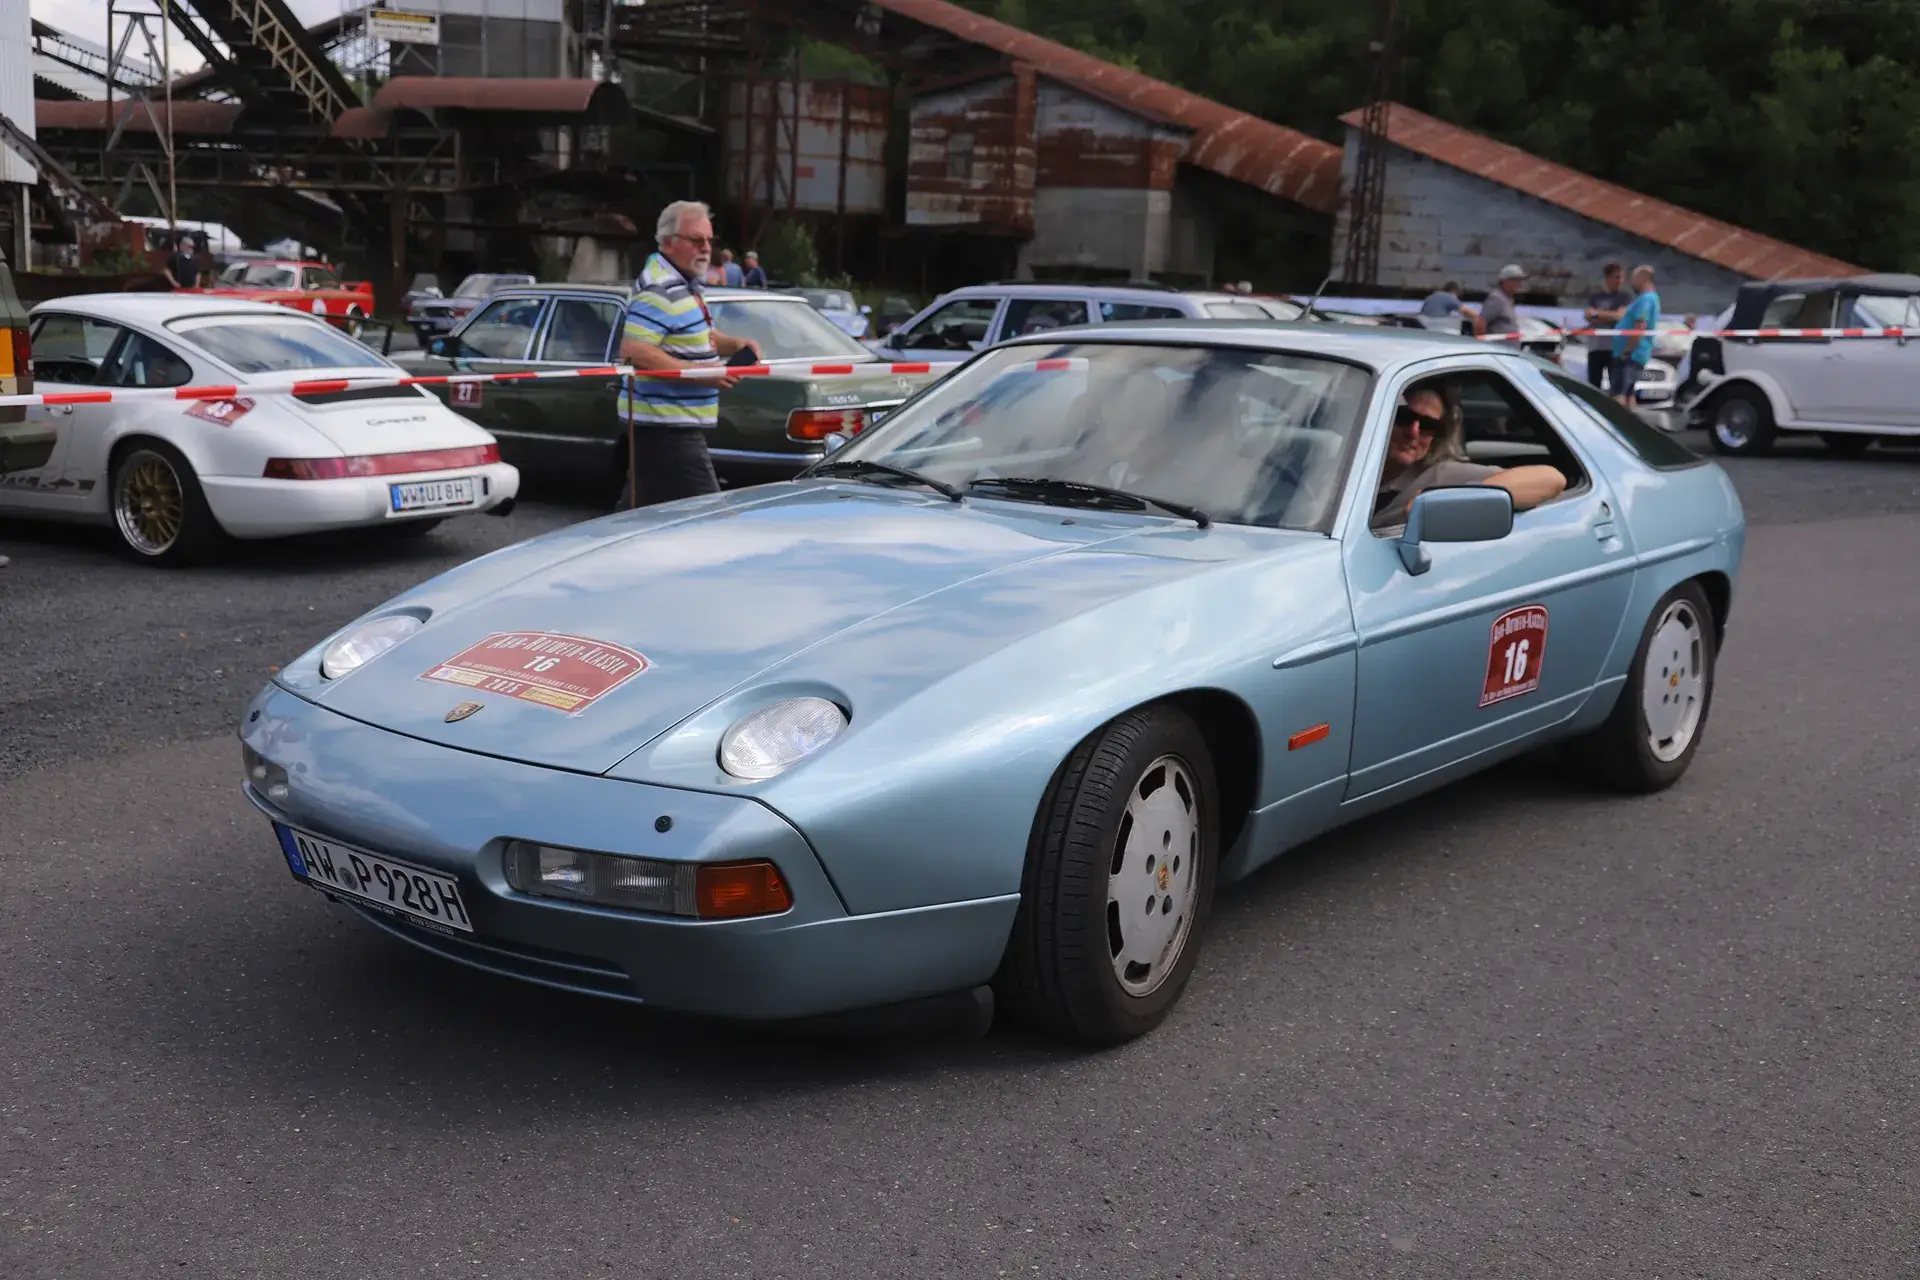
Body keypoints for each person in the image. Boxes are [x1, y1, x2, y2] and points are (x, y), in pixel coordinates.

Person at [615, 200, 756, 509]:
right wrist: (703, 375)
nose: (706, 248)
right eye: (696, 240)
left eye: (709, 240)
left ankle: (605, 540)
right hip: (665, 426)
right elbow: (635, 351)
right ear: (669, 242)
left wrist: (734, 344)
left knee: (640, 514)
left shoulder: (685, 283)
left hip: (669, 425)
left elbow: (696, 337)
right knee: (707, 515)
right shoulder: (659, 289)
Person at [1372, 383, 1566, 527]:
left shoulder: (1441, 475)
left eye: (1428, 425)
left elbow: (1551, 479)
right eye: (1405, 418)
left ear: (1438, 436)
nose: (1413, 432)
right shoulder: (1354, 461)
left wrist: (1450, 501)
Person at [1611, 265, 1661, 408]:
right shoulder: (1647, 299)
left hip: (1631, 355)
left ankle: (1617, 419)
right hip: (1633, 353)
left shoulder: (1646, 299)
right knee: (1628, 393)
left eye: (1634, 278)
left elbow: (1640, 326)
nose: (1631, 282)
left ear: (1643, 278)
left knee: (1619, 393)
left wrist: (1627, 350)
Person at [1583, 261, 1632, 392]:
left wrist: (1598, 314)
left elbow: (1620, 316)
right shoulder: (1596, 296)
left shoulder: (1624, 297)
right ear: (1607, 278)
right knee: (1593, 387)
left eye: (1622, 277)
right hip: (1596, 348)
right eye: (1617, 277)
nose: (1620, 281)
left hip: (1615, 349)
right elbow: (1588, 315)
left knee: (1616, 388)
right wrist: (1609, 315)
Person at [1473, 264, 1525, 339]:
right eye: (1516, 280)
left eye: (1521, 280)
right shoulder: (1496, 299)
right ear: (1505, 281)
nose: (1520, 284)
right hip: (1497, 345)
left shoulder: (1507, 299)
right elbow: (1480, 323)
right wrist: (1482, 343)